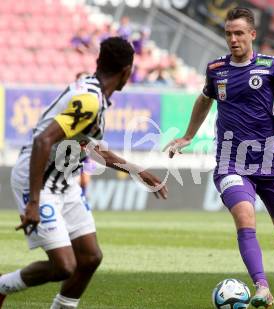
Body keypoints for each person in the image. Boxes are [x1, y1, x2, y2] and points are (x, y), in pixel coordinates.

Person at [0, 37, 168, 308]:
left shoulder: (95, 96)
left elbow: (89, 146)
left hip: (64, 181)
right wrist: (33, 202)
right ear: (127, 72)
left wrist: (136, 170)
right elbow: (43, 141)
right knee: (64, 266)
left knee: (90, 258)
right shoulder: (90, 100)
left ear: (98, 61)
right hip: (39, 182)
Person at [165, 7, 274, 308]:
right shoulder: (216, 70)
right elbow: (205, 99)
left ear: (252, 34)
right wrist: (188, 135)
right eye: (228, 33)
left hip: (270, 161)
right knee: (245, 217)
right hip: (230, 160)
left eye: (239, 33)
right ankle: (262, 287)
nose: (233, 39)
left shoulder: (273, 66)